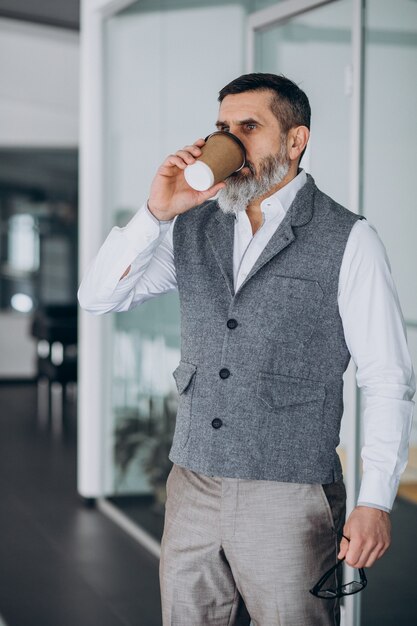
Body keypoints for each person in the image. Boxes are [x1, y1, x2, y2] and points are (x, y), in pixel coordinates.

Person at [78, 73, 415, 625]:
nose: (229, 140)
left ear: (295, 140)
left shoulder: (349, 238)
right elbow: (97, 298)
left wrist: (375, 500)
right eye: (221, 129)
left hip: (289, 490)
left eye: (248, 127)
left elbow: (386, 377)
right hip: (193, 480)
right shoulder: (193, 226)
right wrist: (156, 213)